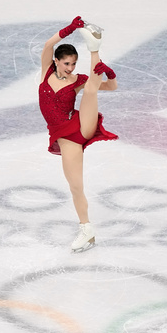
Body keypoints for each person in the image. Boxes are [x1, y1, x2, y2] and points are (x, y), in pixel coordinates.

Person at [38, 16, 119, 252]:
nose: (71, 68)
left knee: (91, 89)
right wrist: (70, 29)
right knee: (75, 186)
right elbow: (47, 45)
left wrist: (110, 74)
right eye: (66, 64)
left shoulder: (77, 80)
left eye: (74, 64)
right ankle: (88, 231)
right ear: (56, 61)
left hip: (80, 126)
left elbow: (111, 87)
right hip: (64, 138)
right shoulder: (46, 72)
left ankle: (95, 47)